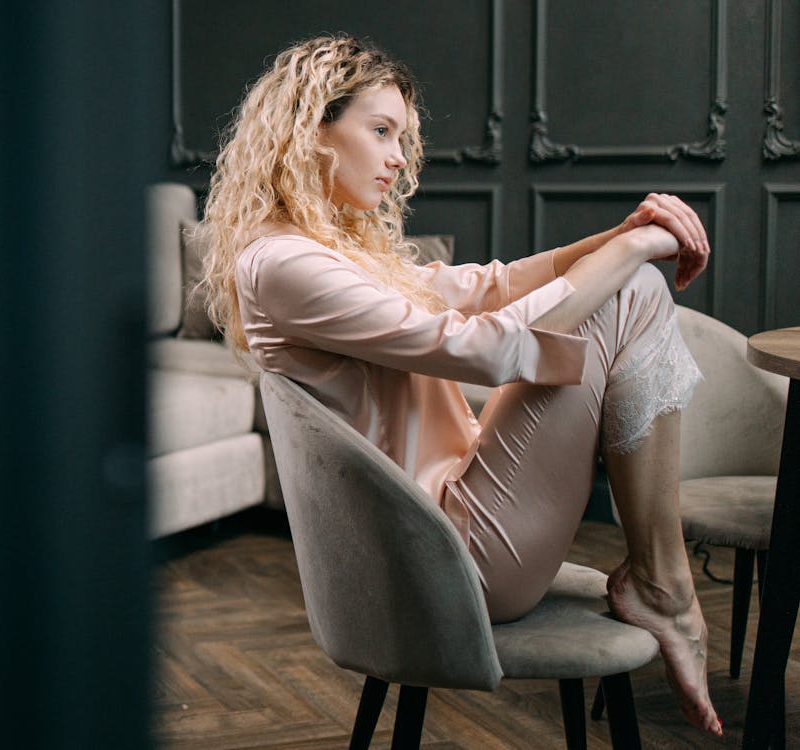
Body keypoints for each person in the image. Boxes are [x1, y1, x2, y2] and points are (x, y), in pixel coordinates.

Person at [199, 35, 723, 736]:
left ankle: (663, 582)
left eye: (401, 138)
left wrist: (616, 233)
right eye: (379, 131)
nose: (396, 157)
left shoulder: (323, 252)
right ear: (308, 129)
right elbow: (484, 352)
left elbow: (487, 288)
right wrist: (628, 252)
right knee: (631, 293)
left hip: (445, 534)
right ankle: (664, 585)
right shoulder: (284, 264)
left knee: (628, 288)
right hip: (444, 564)